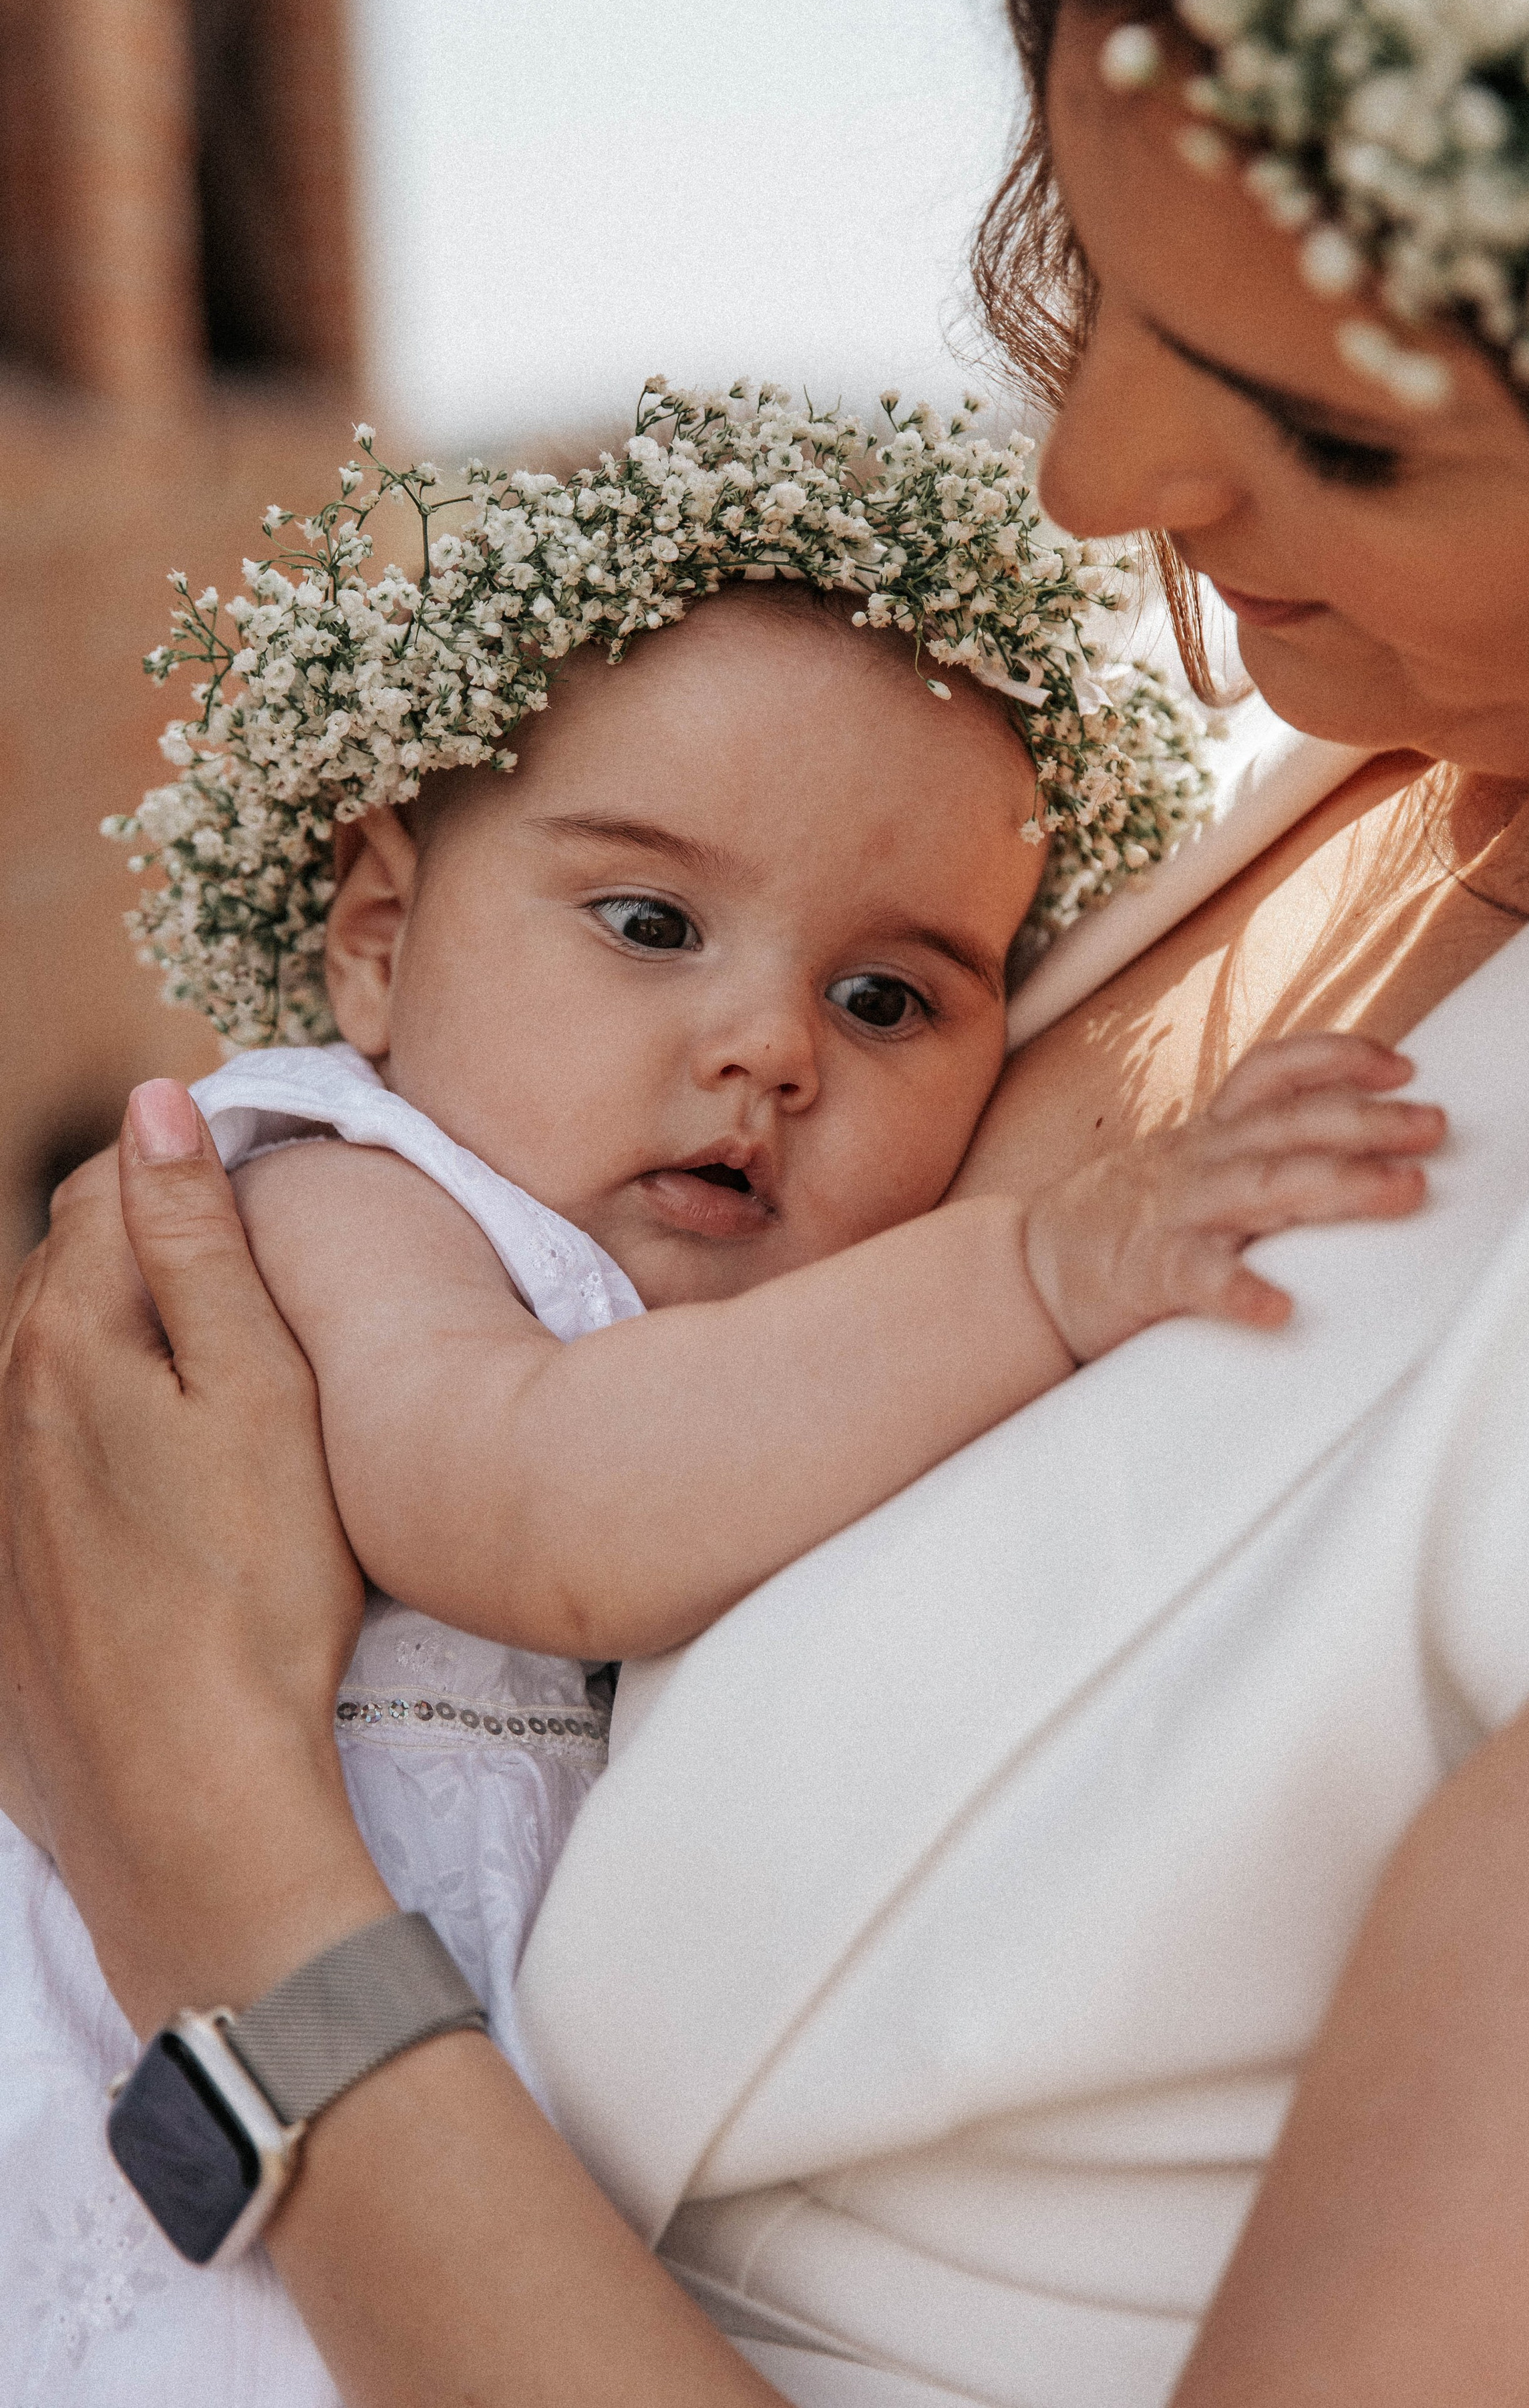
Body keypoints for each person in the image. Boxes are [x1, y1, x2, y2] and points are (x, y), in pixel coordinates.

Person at [8, 0, 1529, 2399]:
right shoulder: (1251, 790)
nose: (1093, 479)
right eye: (1101, 281)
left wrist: (217, 1883)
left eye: (1330, 432)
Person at [0, 430, 1435, 2407]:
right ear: (378, 941)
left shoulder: (754, 1332)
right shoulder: (341, 1203)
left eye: (887, 999)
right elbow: (533, 1501)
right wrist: (1043, 1269)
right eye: (651, 925)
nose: (768, 1046)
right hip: (170, 2163)